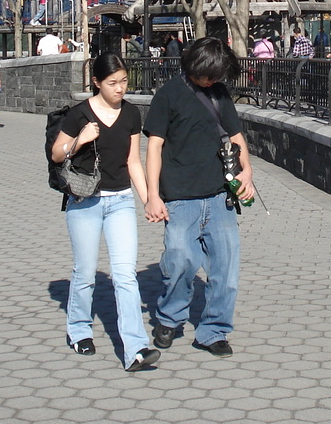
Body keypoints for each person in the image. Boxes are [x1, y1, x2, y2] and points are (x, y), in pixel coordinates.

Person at [144, 37, 254, 359]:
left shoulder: (220, 94)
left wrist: (246, 172)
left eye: (219, 75)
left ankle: (214, 330)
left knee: (226, 269)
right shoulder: (168, 95)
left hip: (220, 196)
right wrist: (152, 195)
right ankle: (170, 317)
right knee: (180, 260)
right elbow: (153, 148)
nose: (214, 81)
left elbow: (236, 137)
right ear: (194, 67)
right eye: (210, 75)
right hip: (180, 197)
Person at [51, 53, 159, 372]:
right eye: (112, 83)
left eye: (124, 81)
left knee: (125, 275)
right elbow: (58, 154)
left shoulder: (130, 115)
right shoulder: (78, 115)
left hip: (121, 200)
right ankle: (79, 329)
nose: (120, 89)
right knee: (85, 272)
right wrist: (80, 140)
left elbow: (133, 162)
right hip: (85, 202)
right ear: (96, 83)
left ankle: (135, 348)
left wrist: (148, 199)